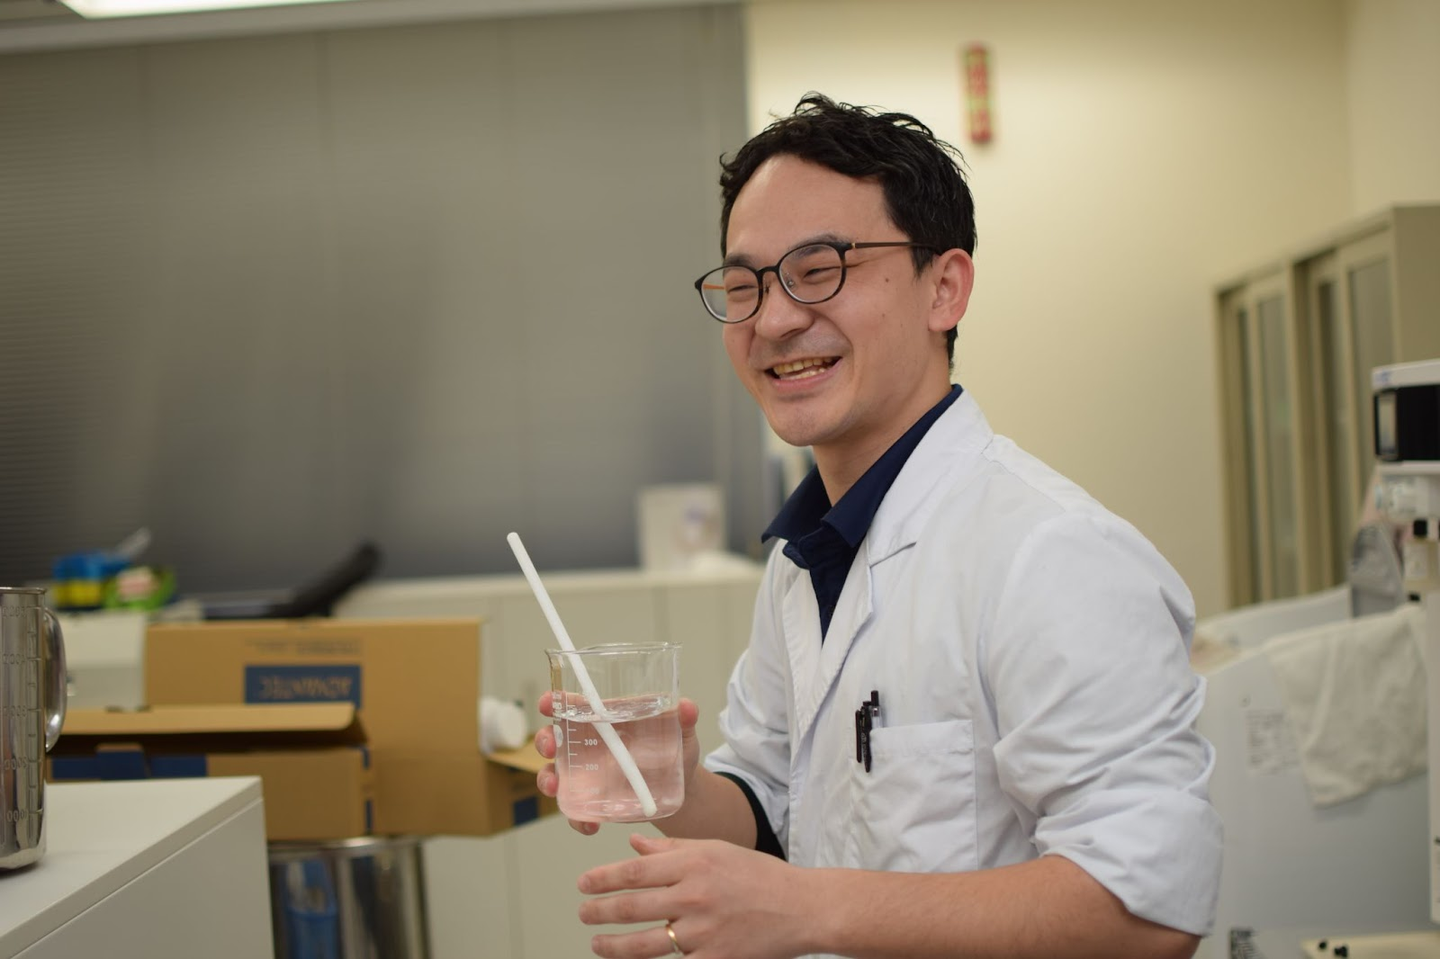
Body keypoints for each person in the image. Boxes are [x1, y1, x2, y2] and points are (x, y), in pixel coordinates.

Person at [534, 93, 1221, 959]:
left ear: (945, 288)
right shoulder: (806, 557)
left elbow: (1148, 908)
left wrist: (808, 908)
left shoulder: (1053, 554)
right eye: (744, 285)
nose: (774, 319)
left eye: (820, 268)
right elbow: (775, 806)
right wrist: (672, 784)